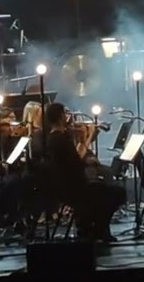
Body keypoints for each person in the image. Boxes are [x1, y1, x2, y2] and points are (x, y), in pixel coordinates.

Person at [43, 102, 126, 241]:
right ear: (60, 117)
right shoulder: (61, 139)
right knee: (118, 193)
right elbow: (76, 164)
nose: (68, 117)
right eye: (65, 114)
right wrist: (87, 138)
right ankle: (98, 229)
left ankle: (91, 226)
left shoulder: (52, 139)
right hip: (74, 188)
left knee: (104, 190)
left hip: (65, 186)